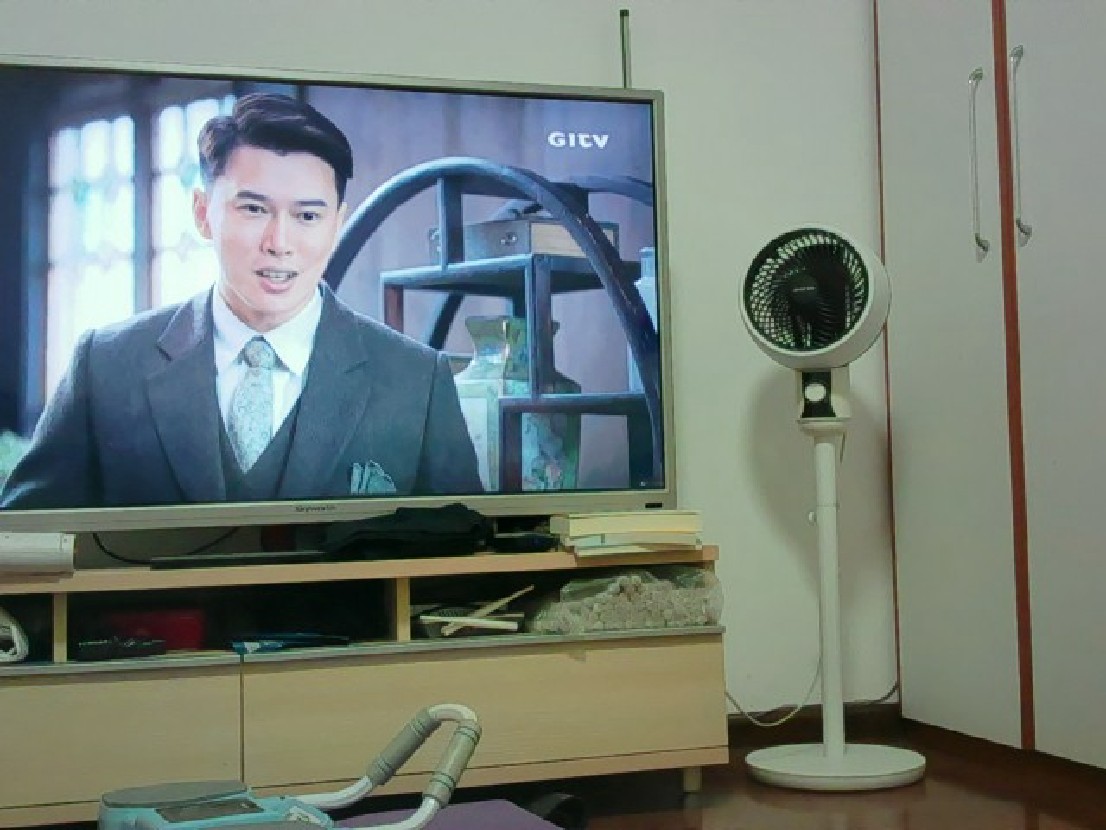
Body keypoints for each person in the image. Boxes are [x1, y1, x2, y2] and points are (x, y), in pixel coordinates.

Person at [0, 93, 482, 510]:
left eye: (307, 216)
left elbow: (465, 562)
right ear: (202, 213)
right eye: (253, 209)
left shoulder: (416, 380)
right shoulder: (106, 365)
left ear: (337, 225)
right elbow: (24, 542)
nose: (279, 243)